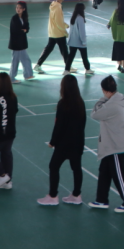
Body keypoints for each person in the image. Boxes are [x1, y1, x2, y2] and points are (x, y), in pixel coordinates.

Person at [38, 75, 87, 206]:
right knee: (76, 168)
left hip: (64, 144)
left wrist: (53, 142)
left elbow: (59, 125)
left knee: (53, 166)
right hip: (77, 142)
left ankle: (53, 196)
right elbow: (83, 123)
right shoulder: (80, 102)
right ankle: (76, 195)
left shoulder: (63, 104)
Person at [90, 76, 124, 211]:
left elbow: (95, 114)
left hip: (114, 145)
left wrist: (102, 99)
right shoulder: (121, 98)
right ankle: (101, 200)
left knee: (119, 174)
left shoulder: (111, 105)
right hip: (113, 142)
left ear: (104, 90)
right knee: (104, 172)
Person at [35, 0, 70, 74]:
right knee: (64, 50)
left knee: (48, 49)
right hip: (59, 33)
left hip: (52, 32)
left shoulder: (53, 4)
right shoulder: (58, 7)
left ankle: (38, 65)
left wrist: (66, 25)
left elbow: (56, 20)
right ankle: (68, 67)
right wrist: (65, 31)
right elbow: (58, 22)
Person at [0, 73, 17, 190]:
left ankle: (2, 175)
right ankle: (8, 181)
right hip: (11, 133)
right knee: (6, 154)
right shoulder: (13, 98)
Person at [8, 1, 34, 82]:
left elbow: (27, 27)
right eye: (17, 7)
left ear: (23, 9)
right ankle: (11, 78)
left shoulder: (24, 18)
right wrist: (23, 31)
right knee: (15, 61)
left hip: (22, 44)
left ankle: (28, 75)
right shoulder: (14, 18)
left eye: (20, 8)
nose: (18, 9)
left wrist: (25, 30)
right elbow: (15, 30)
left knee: (26, 59)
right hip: (16, 44)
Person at [66, 2, 93, 75]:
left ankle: (66, 70)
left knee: (70, 57)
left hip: (72, 41)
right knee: (84, 57)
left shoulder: (73, 17)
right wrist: (83, 41)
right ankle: (87, 69)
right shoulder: (80, 18)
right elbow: (82, 31)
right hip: (79, 42)